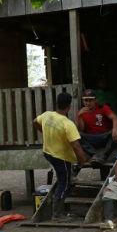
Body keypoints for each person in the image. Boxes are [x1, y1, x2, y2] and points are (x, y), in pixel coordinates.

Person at [34, 92, 88, 222]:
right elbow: (76, 146)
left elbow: (35, 121)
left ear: (57, 103)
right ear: (69, 106)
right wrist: (82, 161)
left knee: (62, 178)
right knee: (64, 183)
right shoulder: (67, 124)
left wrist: (44, 132)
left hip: (48, 152)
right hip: (61, 157)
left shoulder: (47, 115)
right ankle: (57, 214)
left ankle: (61, 209)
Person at [76, 89, 117, 165]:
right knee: (77, 135)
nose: (88, 103)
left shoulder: (103, 108)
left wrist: (115, 129)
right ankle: (94, 155)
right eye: (86, 100)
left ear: (95, 100)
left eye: (90, 100)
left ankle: (104, 155)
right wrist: (79, 117)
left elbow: (115, 118)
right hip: (91, 138)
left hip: (104, 136)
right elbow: (81, 129)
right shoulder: (81, 112)